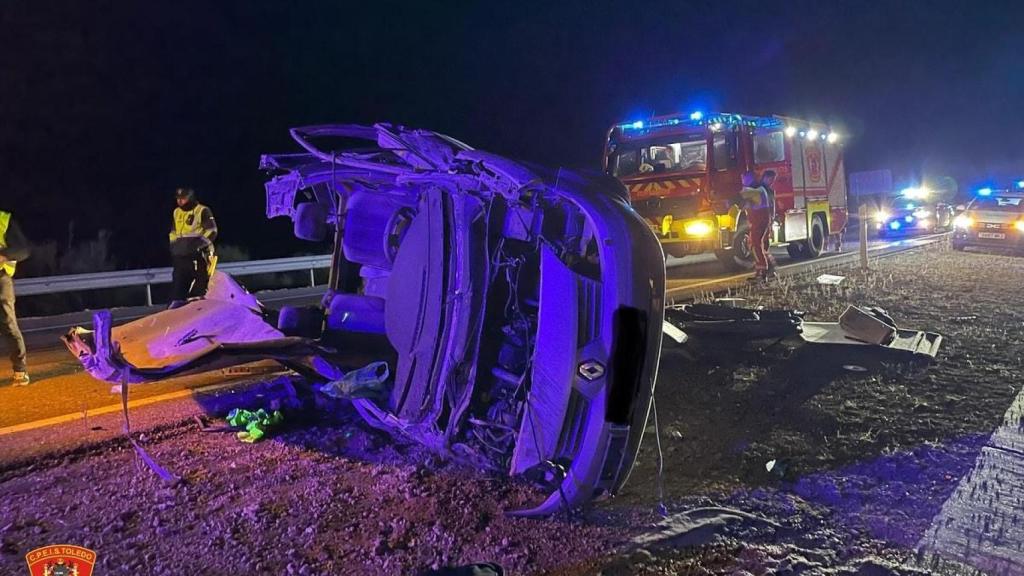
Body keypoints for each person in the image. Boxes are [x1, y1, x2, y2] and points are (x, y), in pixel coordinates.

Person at [169, 188, 218, 307]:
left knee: (199, 286)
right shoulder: (176, 212)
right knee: (178, 286)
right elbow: (173, 232)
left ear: (190, 198)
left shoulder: (202, 210)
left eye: (183, 199)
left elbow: (212, 231)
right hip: (181, 255)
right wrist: (174, 246)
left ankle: (200, 310)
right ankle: (177, 310)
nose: (180, 201)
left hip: (199, 255)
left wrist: (199, 246)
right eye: (178, 199)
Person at [0, 209, 31, 385]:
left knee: (8, 325)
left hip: (1, 279)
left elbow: (23, 250)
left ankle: (20, 370)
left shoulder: (3, 220)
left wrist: (3, 255)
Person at [739, 171, 773, 282]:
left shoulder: (758, 190)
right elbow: (747, 205)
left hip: (759, 222)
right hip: (758, 222)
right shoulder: (758, 190)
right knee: (755, 245)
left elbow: (745, 194)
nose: (742, 181)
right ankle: (762, 270)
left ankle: (763, 271)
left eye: (744, 179)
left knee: (756, 245)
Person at [759, 169, 779, 275]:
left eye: (773, 180)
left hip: (767, 221)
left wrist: (773, 218)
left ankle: (767, 269)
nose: (772, 181)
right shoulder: (760, 189)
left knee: (764, 245)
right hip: (761, 221)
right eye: (771, 179)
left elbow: (773, 207)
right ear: (765, 177)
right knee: (760, 246)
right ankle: (768, 268)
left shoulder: (770, 191)